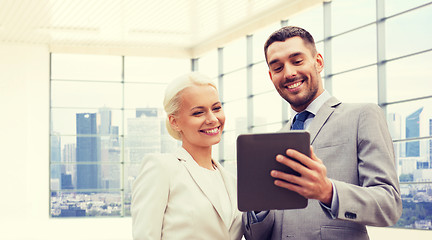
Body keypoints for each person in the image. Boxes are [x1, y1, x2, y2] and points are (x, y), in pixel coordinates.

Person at [242, 26, 402, 239]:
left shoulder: (362, 115)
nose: (289, 73)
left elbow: (389, 205)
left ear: (318, 62)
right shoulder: (273, 142)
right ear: (271, 76)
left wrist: (328, 192)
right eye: (278, 67)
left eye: (297, 61)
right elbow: (257, 235)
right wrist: (258, 206)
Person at [132, 72, 244, 240]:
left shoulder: (232, 182)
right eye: (199, 113)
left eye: (216, 108)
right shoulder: (162, 169)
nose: (212, 119)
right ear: (174, 122)